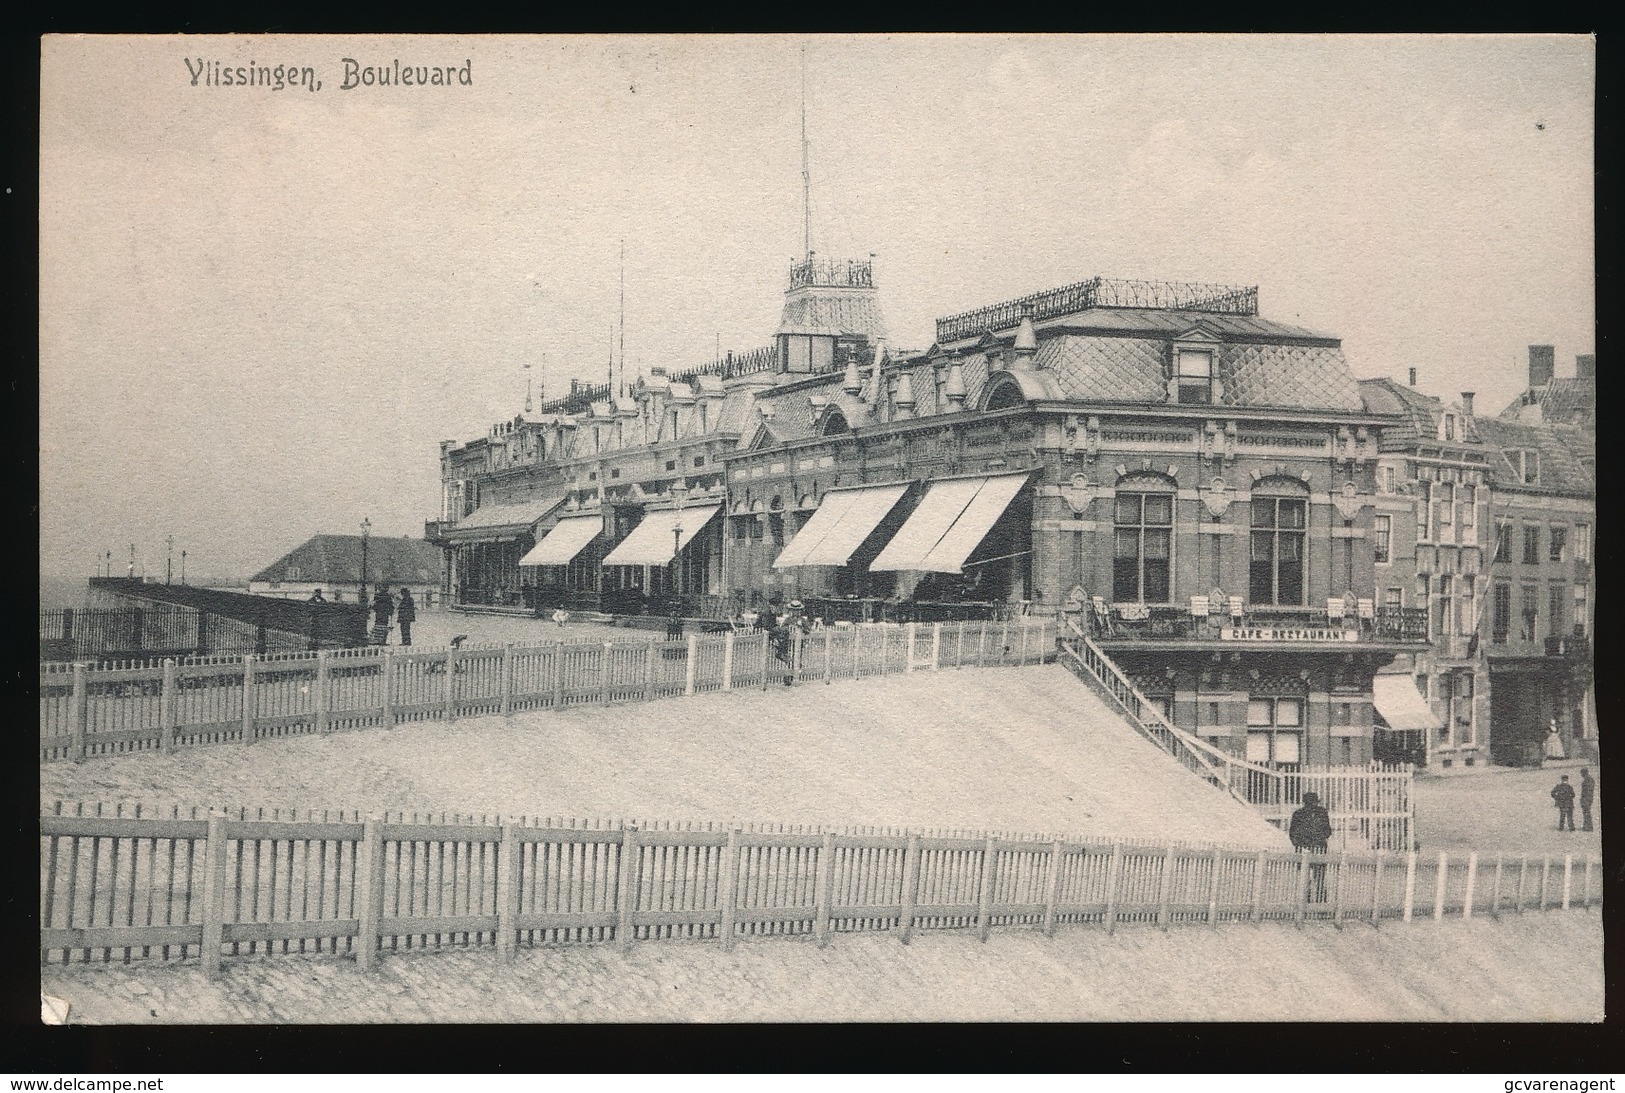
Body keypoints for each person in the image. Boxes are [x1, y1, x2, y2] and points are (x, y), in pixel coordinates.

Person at [1288, 791, 1332, 902]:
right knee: (1313, 877)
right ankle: (1314, 901)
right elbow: (1327, 831)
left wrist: (1300, 843)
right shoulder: (1319, 813)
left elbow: (1292, 834)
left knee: (1313, 878)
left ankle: (1314, 901)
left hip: (1310, 849)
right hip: (1313, 848)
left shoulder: (1300, 814)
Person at [1579, 768, 1595, 832]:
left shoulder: (1588, 780)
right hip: (1588, 798)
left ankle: (1588, 827)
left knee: (1586, 812)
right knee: (1586, 812)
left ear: (1584, 773)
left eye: (1581, 773)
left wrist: (1584, 799)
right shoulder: (1589, 779)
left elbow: (1587, 791)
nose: (1581, 775)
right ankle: (1587, 826)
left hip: (1586, 798)